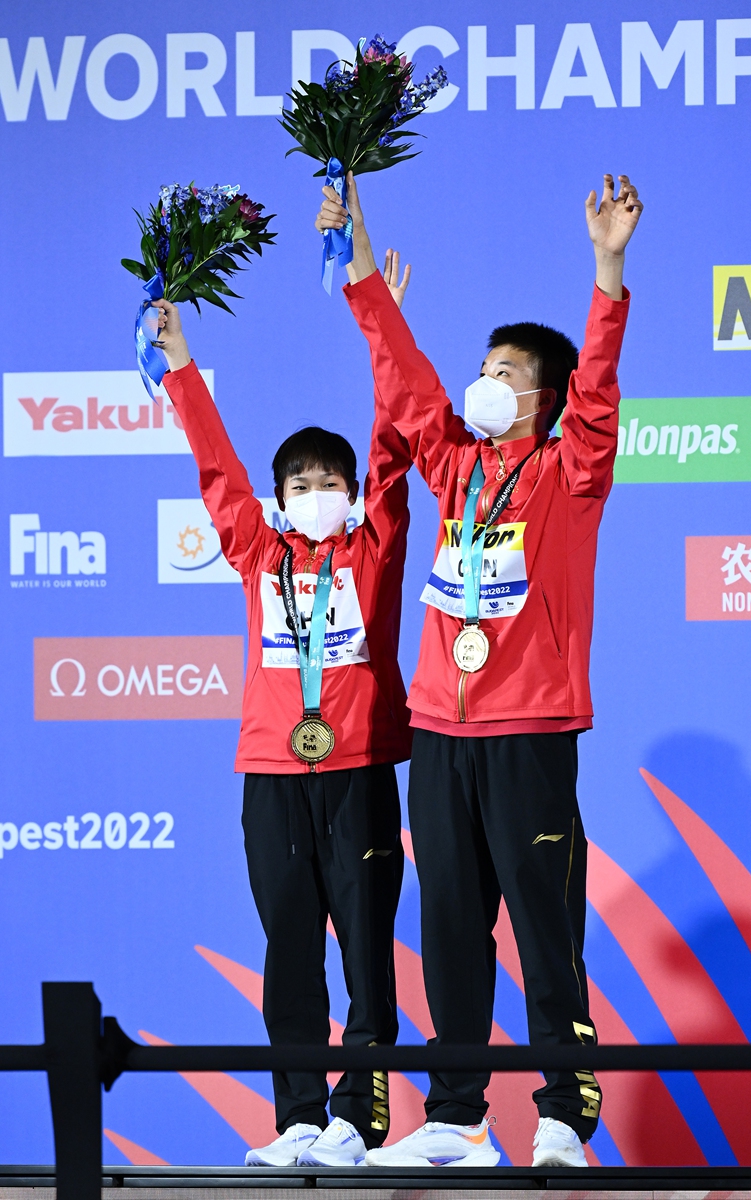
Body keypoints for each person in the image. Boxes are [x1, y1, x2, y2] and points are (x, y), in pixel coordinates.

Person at [317, 172, 643, 1168]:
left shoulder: (568, 472)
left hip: (529, 731)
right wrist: (358, 252)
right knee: (451, 926)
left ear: (542, 397)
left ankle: (563, 1114)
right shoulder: (457, 468)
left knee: (544, 928)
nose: (484, 380)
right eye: (483, 365)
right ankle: (457, 1116)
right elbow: (403, 374)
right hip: (440, 733)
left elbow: (597, 388)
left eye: (505, 371)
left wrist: (606, 267)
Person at [152, 248, 414, 1168]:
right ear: (278, 499)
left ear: (351, 495)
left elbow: (393, 443)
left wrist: (384, 328)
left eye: (328, 483)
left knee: (365, 947)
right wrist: (179, 362)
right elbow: (216, 466)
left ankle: (358, 1119)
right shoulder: (259, 553)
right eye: (297, 485)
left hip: (359, 769)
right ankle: (298, 1114)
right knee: (288, 944)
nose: (314, 496)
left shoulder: (373, 547)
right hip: (271, 770)